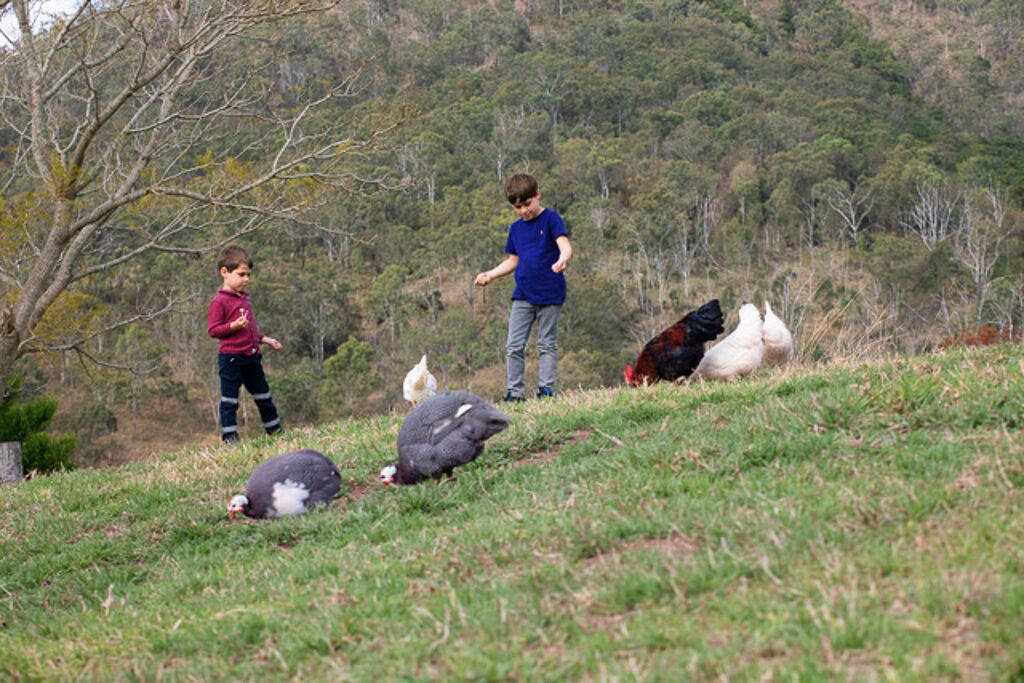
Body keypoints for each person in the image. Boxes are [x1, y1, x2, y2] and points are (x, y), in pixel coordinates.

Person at [475, 173, 573, 401]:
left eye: (527, 204)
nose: (523, 211)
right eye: (517, 207)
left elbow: (564, 245)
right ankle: (515, 393)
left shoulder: (551, 219)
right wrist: (490, 274)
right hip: (523, 296)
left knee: (546, 344)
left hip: (550, 294)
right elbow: (513, 261)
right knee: (514, 346)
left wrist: (562, 259)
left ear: (537, 195)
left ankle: (546, 390)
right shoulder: (516, 229)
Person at [207, 245, 283, 442]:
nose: (246, 279)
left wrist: (265, 339)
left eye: (248, 275)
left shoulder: (244, 299)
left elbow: (250, 330)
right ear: (224, 272)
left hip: (252, 357)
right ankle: (230, 438)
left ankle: (275, 432)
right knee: (230, 401)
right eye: (241, 274)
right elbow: (213, 330)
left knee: (264, 397)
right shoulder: (219, 302)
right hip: (231, 359)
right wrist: (232, 325)